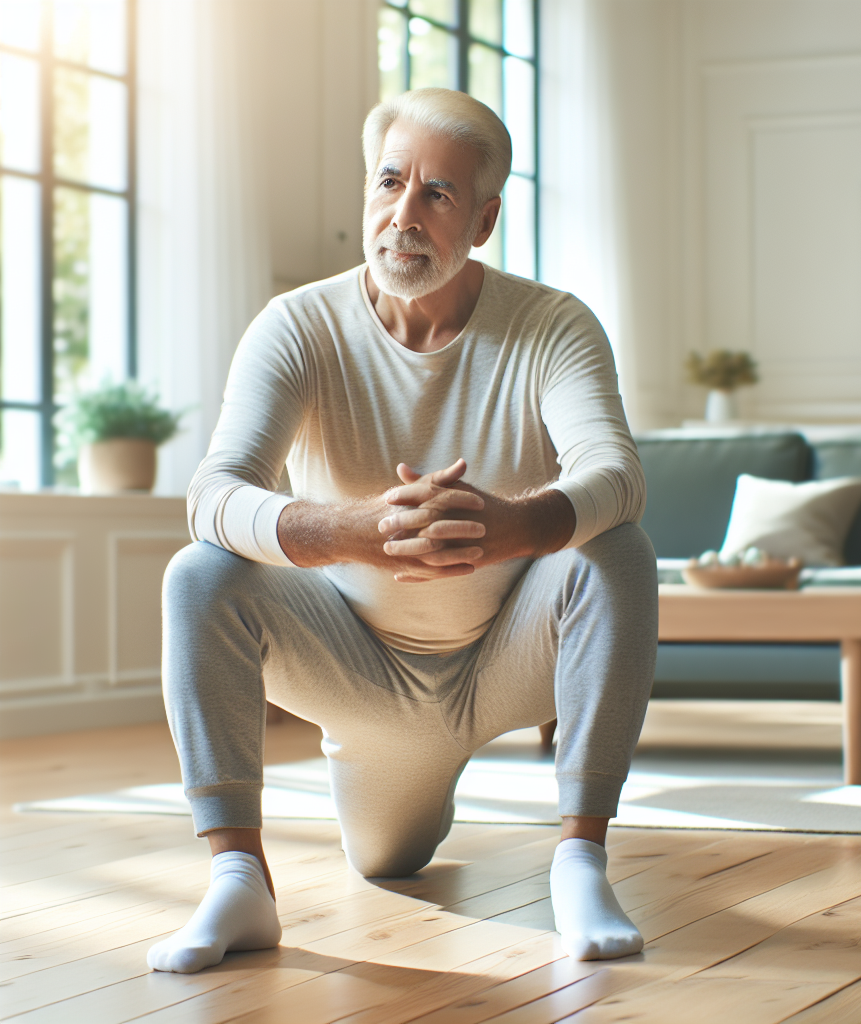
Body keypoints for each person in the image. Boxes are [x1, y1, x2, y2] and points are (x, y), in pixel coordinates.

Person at [147, 87, 658, 975]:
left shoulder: (553, 325)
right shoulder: (298, 326)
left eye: (438, 195)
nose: (403, 216)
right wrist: (346, 531)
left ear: (486, 219)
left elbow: (617, 476)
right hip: (360, 673)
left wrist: (514, 526)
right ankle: (239, 879)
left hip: (507, 654)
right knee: (199, 574)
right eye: (390, 184)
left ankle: (580, 858)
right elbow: (212, 496)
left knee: (616, 548)